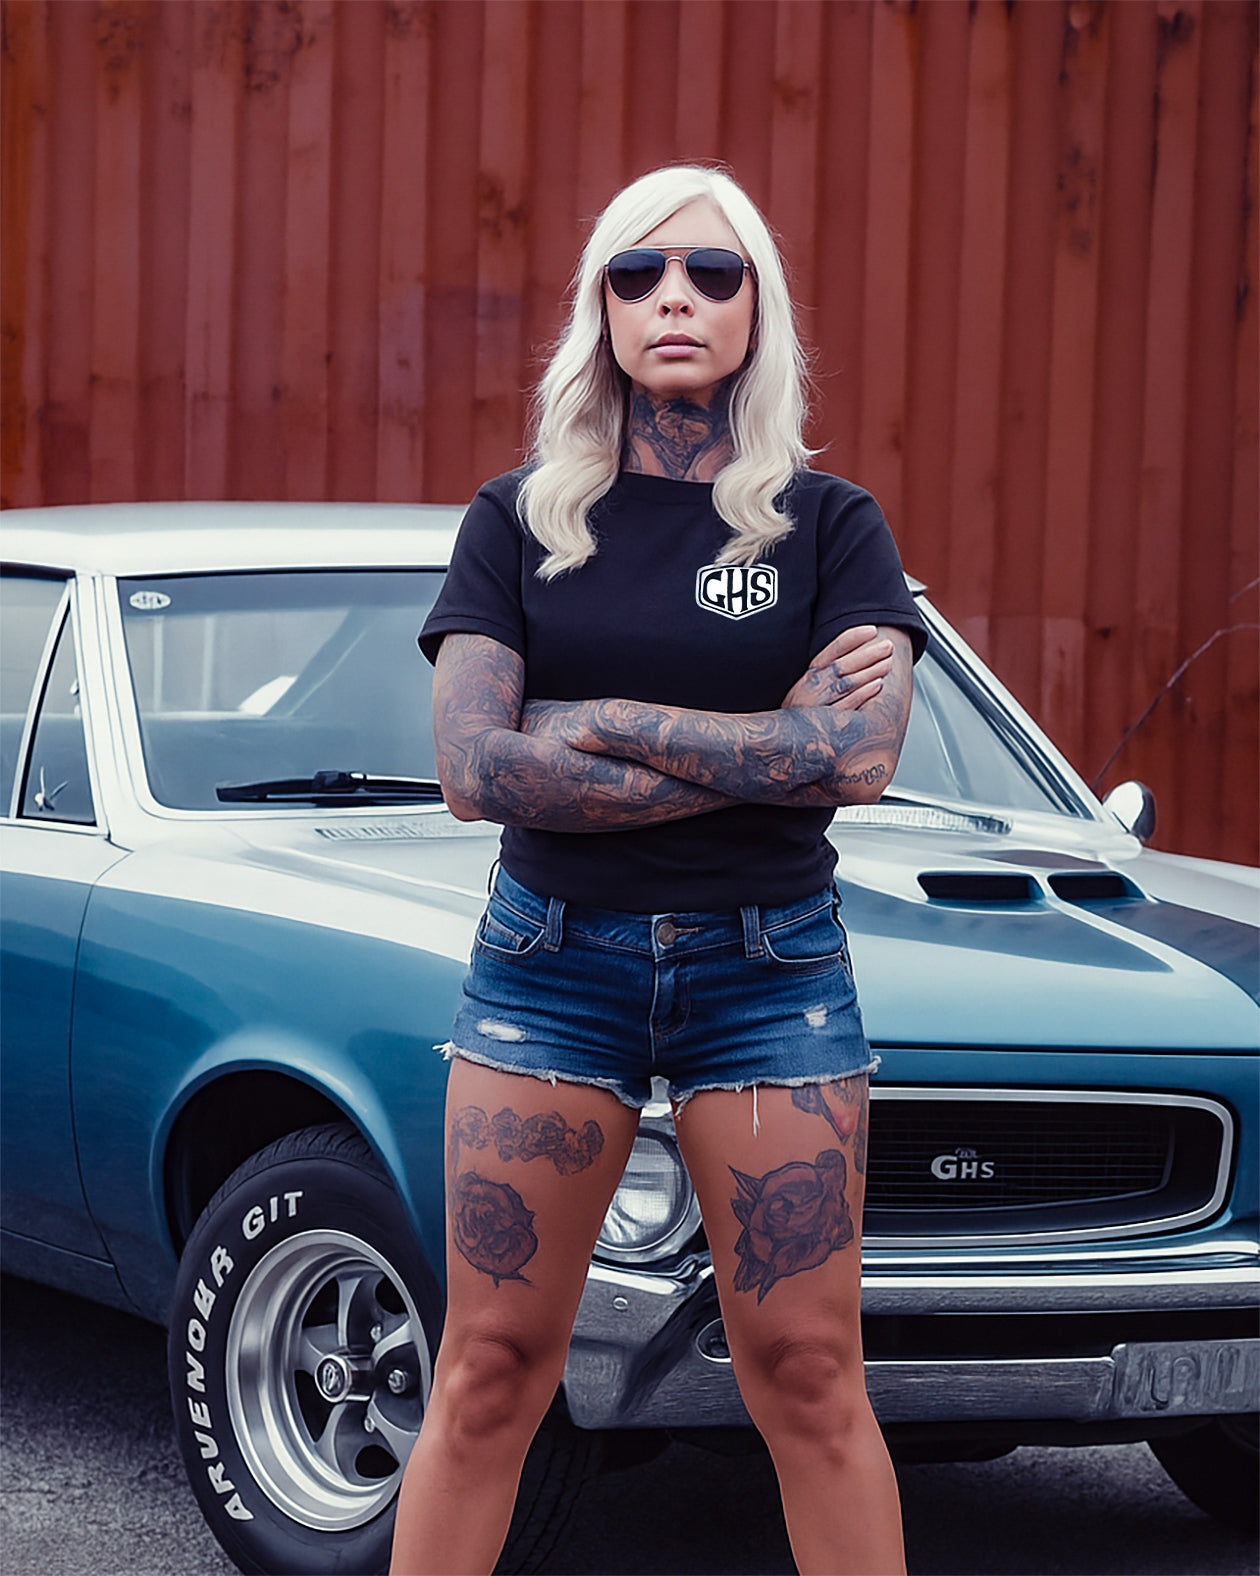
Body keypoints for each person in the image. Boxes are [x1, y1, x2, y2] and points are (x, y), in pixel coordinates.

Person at [391, 163, 927, 1576]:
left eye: (709, 271)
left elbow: (857, 759)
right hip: (551, 964)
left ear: (759, 307)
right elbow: (476, 772)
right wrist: (765, 736)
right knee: (494, 1365)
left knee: (809, 1376)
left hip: (772, 973)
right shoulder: (519, 521)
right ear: (601, 311)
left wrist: (600, 722)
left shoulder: (829, 525)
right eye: (636, 275)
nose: (672, 297)